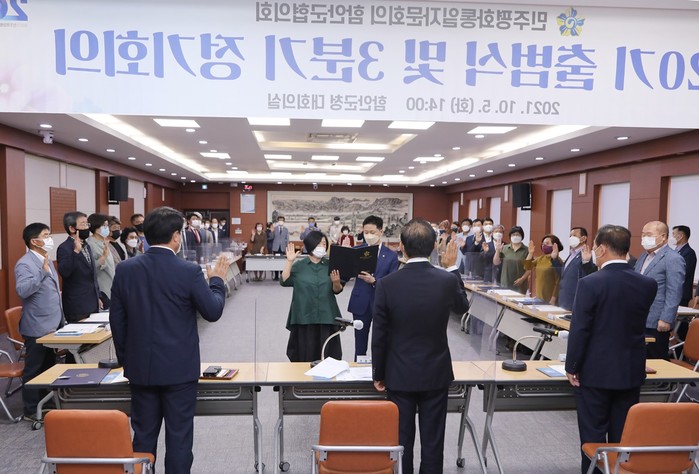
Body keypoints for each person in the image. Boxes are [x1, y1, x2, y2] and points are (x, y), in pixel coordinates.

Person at [110, 206, 231, 473]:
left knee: (143, 436)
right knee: (179, 438)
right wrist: (216, 281)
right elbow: (212, 311)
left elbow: (117, 321)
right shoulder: (188, 271)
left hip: (140, 368)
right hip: (179, 370)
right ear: (176, 236)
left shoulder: (125, 269)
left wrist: (127, 361)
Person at [372, 219, 469, 474]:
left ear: (402, 247)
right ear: (434, 246)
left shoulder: (386, 284)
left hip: (399, 373)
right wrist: (452, 268)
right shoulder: (446, 280)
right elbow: (463, 308)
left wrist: (378, 373)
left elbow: (379, 334)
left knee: (401, 439)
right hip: (435, 372)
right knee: (433, 440)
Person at [565, 224, 657, 474]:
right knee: (623, 435)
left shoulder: (590, 283)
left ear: (602, 249)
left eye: (595, 247)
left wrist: (572, 366)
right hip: (630, 370)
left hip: (595, 371)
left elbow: (580, 329)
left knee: (593, 436)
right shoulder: (647, 284)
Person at [14, 223, 65, 422]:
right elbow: (23, 290)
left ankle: (46, 403)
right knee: (34, 369)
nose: (50, 238)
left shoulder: (45, 258)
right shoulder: (25, 263)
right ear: (34, 241)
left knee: (48, 366)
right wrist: (42, 273)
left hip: (52, 323)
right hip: (37, 325)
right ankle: (30, 409)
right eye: (46, 235)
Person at [280, 231, 344, 362]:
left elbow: (337, 290)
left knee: (328, 355)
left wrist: (336, 282)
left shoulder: (331, 265)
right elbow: (284, 281)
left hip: (327, 316)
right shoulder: (299, 266)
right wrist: (289, 261)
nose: (322, 246)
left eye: (324, 244)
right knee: (305, 354)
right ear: (311, 245)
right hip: (304, 316)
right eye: (319, 243)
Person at [347, 215, 399, 359]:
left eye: (372, 232)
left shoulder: (391, 256)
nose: (368, 235)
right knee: (360, 343)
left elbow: (392, 281)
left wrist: (375, 281)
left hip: (381, 303)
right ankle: (358, 368)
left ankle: (379, 369)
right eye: (366, 232)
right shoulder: (356, 251)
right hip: (360, 301)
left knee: (380, 341)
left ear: (381, 232)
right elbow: (347, 273)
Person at [634, 220, 685, 360]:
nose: (644, 238)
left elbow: (674, 291)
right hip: (639, 318)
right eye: (643, 234)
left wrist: (666, 318)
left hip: (657, 321)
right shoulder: (643, 256)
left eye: (649, 234)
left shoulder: (673, 258)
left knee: (655, 359)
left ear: (663, 237)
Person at [57, 211, 100, 322]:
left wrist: (97, 297)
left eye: (87, 224)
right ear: (72, 228)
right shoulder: (64, 248)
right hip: (77, 306)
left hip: (92, 302)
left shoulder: (86, 245)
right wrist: (76, 251)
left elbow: (92, 275)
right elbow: (64, 272)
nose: (87, 227)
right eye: (83, 224)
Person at [557, 227, 597, 310]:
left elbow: (590, 274)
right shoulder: (571, 254)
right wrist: (555, 259)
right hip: (564, 299)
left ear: (583, 238)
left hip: (576, 299)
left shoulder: (588, 254)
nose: (571, 238)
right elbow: (564, 274)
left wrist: (586, 261)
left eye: (574, 235)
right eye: (570, 236)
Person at [524, 234, 564, 304]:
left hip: (550, 298)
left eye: (547, 243)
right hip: (539, 296)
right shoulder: (541, 258)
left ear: (554, 246)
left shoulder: (557, 261)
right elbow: (527, 266)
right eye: (543, 244)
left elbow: (558, 282)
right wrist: (530, 253)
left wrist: (553, 299)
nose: (544, 245)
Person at [86, 213, 116, 307]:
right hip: (102, 288)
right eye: (104, 225)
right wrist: (102, 259)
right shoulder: (90, 244)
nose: (107, 228)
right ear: (96, 226)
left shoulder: (104, 241)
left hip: (111, 286)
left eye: (107, 225)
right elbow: (89, 267)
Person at [493, 226, 529, 293]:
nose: (515, 236)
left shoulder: (527, 250)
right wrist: (497, 250)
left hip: (520, 284)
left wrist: (522, 279)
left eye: (518, 235)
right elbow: (496, 262)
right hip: (505, 282)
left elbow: (529, 268)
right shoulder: (504, 248)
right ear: (510, 236)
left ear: (522, 236)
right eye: (513, 235)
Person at [672, 225, 696, 307]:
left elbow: (682, 273)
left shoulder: (689, 253)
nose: (672, 237)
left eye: (674, 234)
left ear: (681, 236)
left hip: (680, 294)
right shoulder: (674, 251)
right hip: (671, 292)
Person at [271, 216, 289, 281]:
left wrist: (287, 248)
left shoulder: (286, 229)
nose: (280, 221)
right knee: (276, 262)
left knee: (282, 262)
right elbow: (271, 237)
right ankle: (276, 276)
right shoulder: (275, 228)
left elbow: (287, 239)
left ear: (284, 221)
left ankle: (282, 276)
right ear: (278, 221)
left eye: (282, 220)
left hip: (283, 248)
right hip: (276, 247)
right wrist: (272, 232)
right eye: (279, 220)